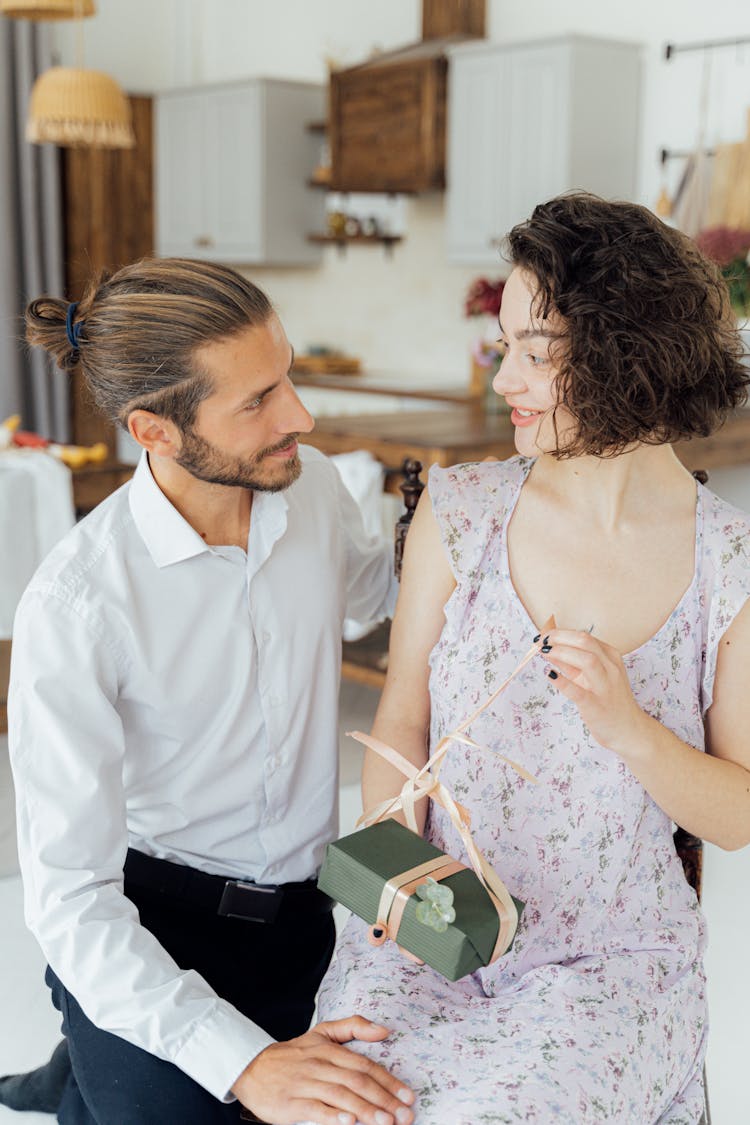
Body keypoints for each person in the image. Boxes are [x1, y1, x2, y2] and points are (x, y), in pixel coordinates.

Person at [312, 193, 750, 1124]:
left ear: (630, 355)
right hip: (436, 930)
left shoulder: (729, 564)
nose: (504, 376)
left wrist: (630, 730)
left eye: (535, 352)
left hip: (613, 962)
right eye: (503, 343)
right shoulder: (462, 511)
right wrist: (397, 887)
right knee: (348, 1108)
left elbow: (738, 814)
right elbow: (402, 722)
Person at [6, 257, 417, 1125]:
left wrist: (462, 522)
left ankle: (77, 1067)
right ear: (154, 430)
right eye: (258, 401)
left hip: (306, 914)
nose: (300, 417)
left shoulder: (311, 490)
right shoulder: (77, 606)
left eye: (289, 377)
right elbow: (72, 899)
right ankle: (84, 1065)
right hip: (151, 924)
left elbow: (374, 596)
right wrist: (248, 1063)